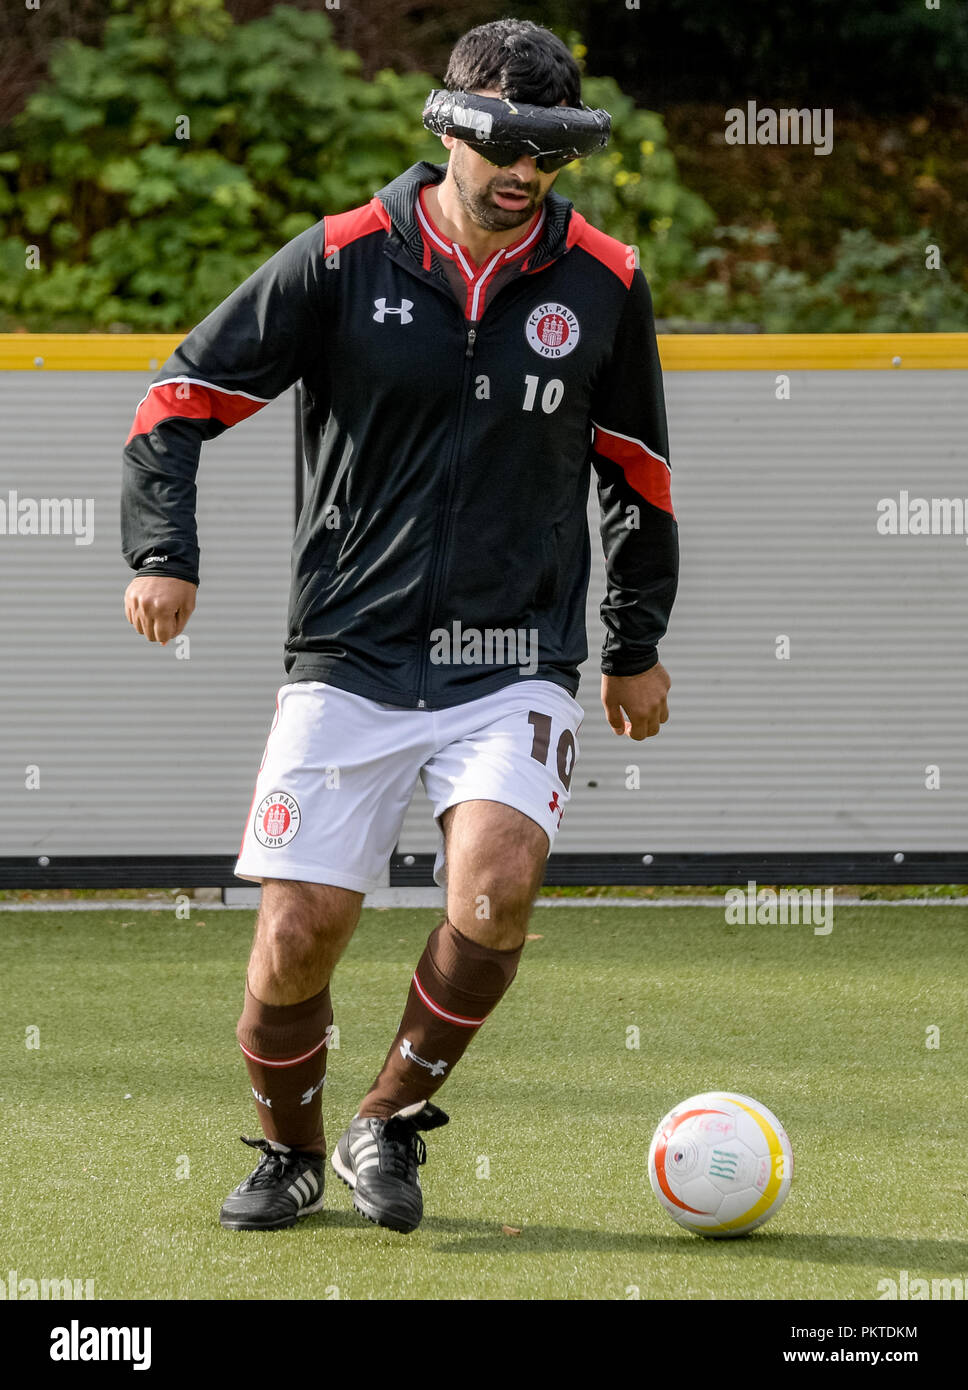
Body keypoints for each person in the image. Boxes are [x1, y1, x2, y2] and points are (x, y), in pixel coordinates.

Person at [121, 17, 678, 1235]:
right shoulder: (338, 258)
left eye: (548, 154)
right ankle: (291, 1150)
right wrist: (164, 554)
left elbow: (634, 473)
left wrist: (631, 643)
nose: (523, 176)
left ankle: (387, 1119)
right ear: (444, 133)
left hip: (515, 658)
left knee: (493, 894)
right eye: (501, 149)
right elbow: (173, 402)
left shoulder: (604, 280)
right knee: (295, 943)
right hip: (352, 655)